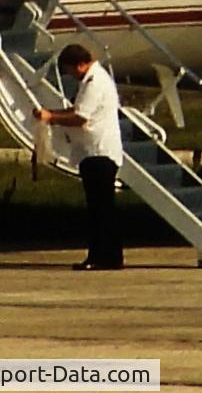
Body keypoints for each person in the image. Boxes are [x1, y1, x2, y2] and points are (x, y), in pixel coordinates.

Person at [34, 43, 124, 270]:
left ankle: (100, 256)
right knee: (103, 208)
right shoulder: (94, 80)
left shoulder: (94, 83)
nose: (71, 76)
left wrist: (51, 118)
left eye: (70, 70)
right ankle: (111, 256)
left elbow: (81, 117)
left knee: (99, 209)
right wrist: (52, 114)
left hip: (98, 152)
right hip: (95, 151)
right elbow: (77, 110)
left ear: (80, 64)